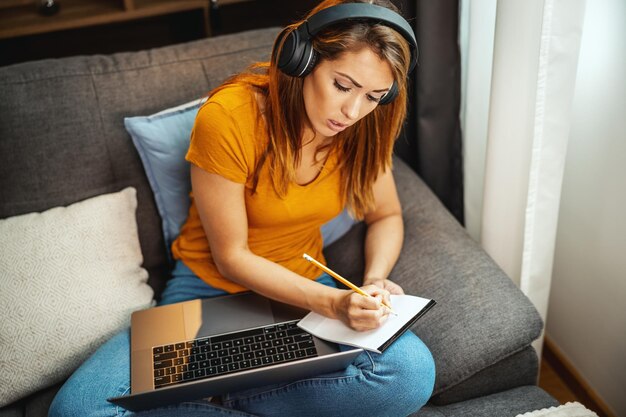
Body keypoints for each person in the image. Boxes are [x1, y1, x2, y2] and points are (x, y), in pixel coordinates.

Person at [49, 0, 435, 416]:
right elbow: (231, 258)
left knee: (410, 372)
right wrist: (332, 303)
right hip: (207, 294)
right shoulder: (229, 117)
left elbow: (386, 215)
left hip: (303, 295)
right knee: (78, 409)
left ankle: (215, 398)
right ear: (302, 59)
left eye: (374, 96)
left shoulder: (366, 127)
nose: (353, 112)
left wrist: (374, 280)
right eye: (343, 85)